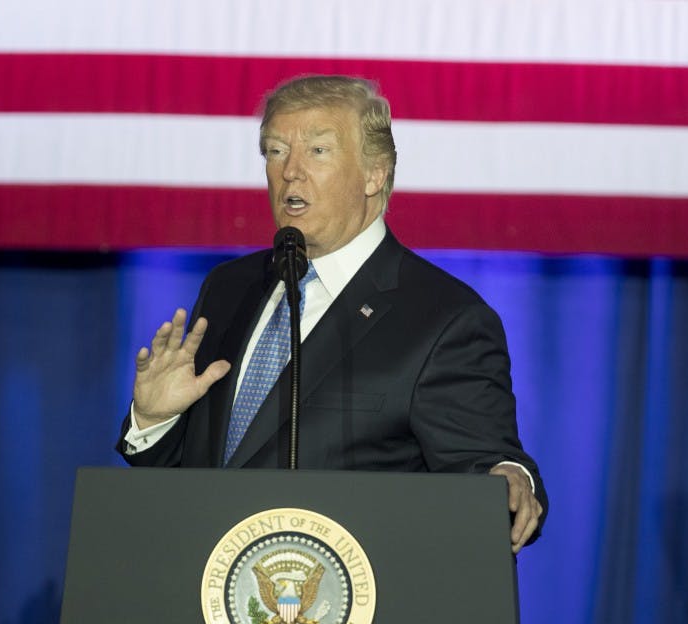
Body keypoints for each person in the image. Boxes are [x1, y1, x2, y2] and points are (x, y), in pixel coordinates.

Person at [116, 75, 547, 551]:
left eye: (318, 151)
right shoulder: (229, 288)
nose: (291, 172)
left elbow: (484, 463)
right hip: (211, 594)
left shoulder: (445, 318)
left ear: (374, 174)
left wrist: (508, 478)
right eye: (276, 151)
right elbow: (205, 472)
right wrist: (156, 419)